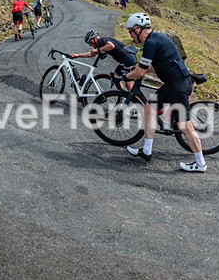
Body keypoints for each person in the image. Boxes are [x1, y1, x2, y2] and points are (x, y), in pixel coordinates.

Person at [122, 12, 207, 172]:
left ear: (137, 29)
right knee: (149, 109)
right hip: (172, 84)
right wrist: (138, 70)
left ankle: (200, 163)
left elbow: (141, 73)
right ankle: (146, 151)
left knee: (185, 126)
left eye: (130, 32)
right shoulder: (155, 39)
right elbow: (152, 67)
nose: (131, 36)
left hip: (178, 87)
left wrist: (126, 75)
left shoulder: (151, 42)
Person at [70, 30, 137, 90]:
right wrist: (78, 55)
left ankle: (123, 96)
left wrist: (98, 50)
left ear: (92, 40)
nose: (91, 45)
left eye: (90, 43)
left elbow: (111, 46)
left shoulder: (101, 41)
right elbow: (92, 54)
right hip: (130, 58)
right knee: (128, 83)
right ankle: (127, 97)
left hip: (127, 59)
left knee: (118, 78)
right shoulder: (103, 43)